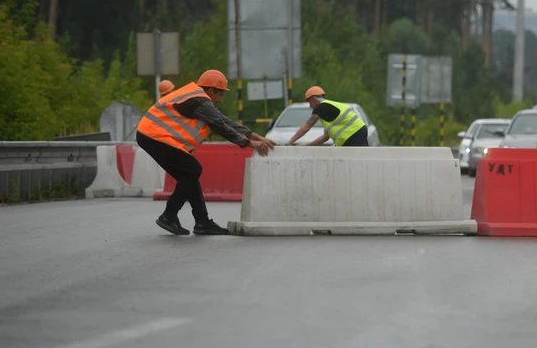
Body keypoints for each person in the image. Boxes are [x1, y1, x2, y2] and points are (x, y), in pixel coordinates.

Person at [136, 69, 277, 236]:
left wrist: (258, 136)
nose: (221, 99)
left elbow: (225, 120)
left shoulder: (196, 96)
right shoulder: (200, 100)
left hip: (151, 136)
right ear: (211, 90)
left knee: (189, 174)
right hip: (155, 135)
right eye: (221, 94)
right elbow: (220, 126)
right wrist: (248, 143)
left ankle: (202, 222)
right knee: (192, 170)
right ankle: (169, 215)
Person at [286, 86, 370, 147]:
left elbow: (306, 127)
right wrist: (306, 146)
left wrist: (290, 141)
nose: (310, 106)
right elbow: (325, 138)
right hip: (357, 133)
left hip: (353, 135)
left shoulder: (322, 106)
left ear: (314, 100)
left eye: (309, 103)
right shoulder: (328, 110)